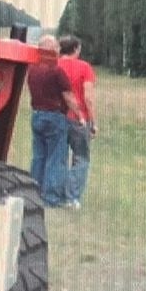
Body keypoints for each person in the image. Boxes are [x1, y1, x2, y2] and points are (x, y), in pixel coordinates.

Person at [27, 35, 80, 208]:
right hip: (55, 116)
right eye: (56, 47)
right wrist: (80, 116)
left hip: (37, 115)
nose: (58, 50)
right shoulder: (57, 71)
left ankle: (33, 193)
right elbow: (69, 97)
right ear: (50, 50)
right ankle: (50, 198)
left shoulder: (32, 69)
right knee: (56, 158)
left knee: (39, 157)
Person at [57, 35, 98, 208]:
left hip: (57, 116)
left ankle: (55, 193)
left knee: (59, 157)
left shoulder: (54, 65)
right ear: (76, 49)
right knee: (81, 158)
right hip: (78, 118)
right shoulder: (84, 67)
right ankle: (71, 197)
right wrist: (93, 121)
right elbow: (88, 97)